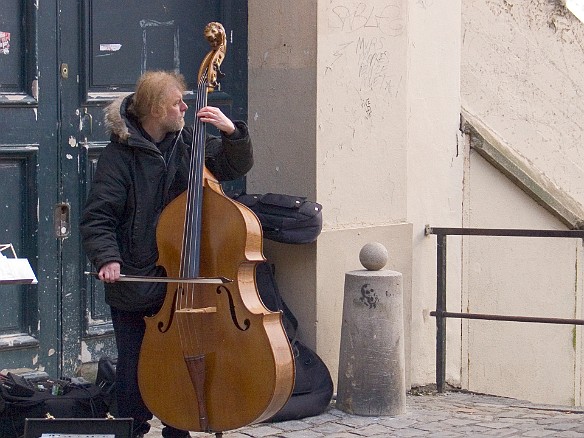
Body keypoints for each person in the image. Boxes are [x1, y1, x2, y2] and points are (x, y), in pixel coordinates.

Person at [80, 70, 253, 438]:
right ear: (157, 109)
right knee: (134, 368)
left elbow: (232, 166)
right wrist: (108, 258)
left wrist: (231, 133)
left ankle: (181, 428)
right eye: (178, 102)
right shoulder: (119, 156)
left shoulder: (186, 140)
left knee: (183, 359)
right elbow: (98, 217)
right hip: (137, 279)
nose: (185, 108)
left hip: (184, 277)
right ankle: (131, 429)